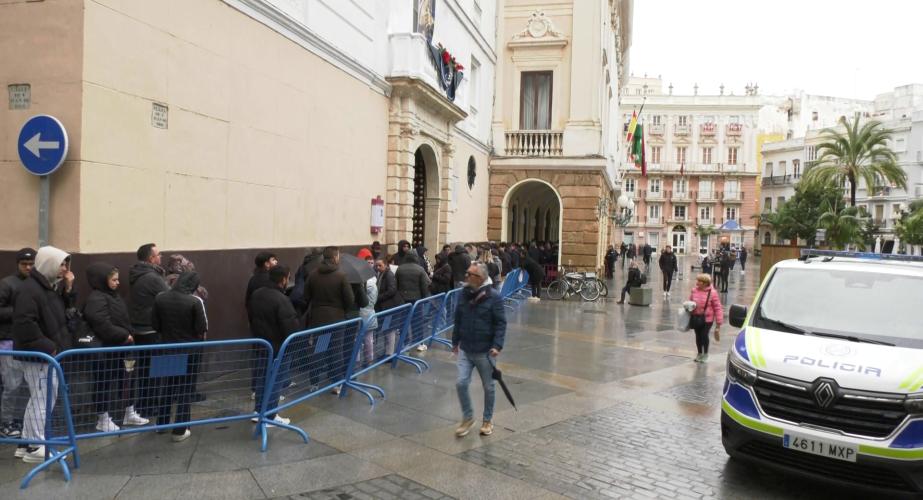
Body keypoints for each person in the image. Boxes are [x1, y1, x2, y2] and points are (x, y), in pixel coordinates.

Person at [12, 246, 73, 463]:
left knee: (39, 399)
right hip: (40, 356)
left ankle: (26, 444)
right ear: (48, 263)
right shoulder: (31, 289)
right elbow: (25, 324)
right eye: (61, 264)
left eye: (66, 264)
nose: (65, 268)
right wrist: (50, 347)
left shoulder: (47, 287)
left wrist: (68, 288)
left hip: (43, 354)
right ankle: (35, 446)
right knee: (42, 399)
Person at [84, 262, 150, 433]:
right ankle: (103, 419)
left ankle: (129, 412)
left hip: (122, 347)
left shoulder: (112, 295)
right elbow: (101, 324)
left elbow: (120, 318)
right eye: (113, 280)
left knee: (127, 380)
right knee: (104, 383)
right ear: (102, 280)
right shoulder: (97, 298)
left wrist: (128, 334)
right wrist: (124, 335)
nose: (117, 283)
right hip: (108, 348)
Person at [152, 271, 208, 442]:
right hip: (190, 351)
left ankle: (161, 425)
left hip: (167, 347)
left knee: (167, 386)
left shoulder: (160, 297)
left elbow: (155, 324)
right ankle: (180, 430)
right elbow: (201, 328)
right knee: (185, 389)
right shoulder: (195, 301)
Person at [452, 263, 506, 438]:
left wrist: (497, 345)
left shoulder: (494, 297)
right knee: (461, 383)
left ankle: (487, 420)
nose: (466, 276)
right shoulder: (464, 294)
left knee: (488, 387)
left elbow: (500, 323)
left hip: (485, 351)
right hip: (466, 348)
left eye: (470, 274)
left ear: (480, 278)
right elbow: (458, 318)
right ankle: (468, 417)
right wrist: (455, 341)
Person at [248, 265, 298, 425]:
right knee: (275, 381)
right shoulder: (281, 299)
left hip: (261, 344)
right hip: (278, 348)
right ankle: (270, 415)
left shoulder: (256, 294)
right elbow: (290, 327)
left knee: (262, 380)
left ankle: (258, 411)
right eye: (288, 277)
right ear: (283, 279)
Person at [303, 247, 355, 394]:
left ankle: (314, 383)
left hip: (318, 319)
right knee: (335, 351)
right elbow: (350, 300)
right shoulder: (341, 276)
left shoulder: (313, 275)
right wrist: (341, 309)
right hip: (337, 320)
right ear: (335, 257)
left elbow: (306, 297)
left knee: (319, 350)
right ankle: (335, 383)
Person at [128, 243, 169, 419]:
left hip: (140, 329)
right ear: (151, 258)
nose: (161, 257)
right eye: (159, 254)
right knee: (154, 371)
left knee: (144, 370)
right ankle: (150, 406)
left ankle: (144, 404)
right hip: (151, 330)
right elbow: (169, 296)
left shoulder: (138, 274)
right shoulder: (152, 277)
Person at [0, 248, 34, 441]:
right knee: (11, 385)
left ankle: (20, 420)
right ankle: (6, 423)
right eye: (24, 264)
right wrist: (20, 312)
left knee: (26, 385)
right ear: (18, 264)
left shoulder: (36, 284)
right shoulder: (7, 284)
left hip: (28, 342)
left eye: (31, 264)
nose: (28, 267)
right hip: (9, 342)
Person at [688, 274, 723, 363]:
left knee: (704, 335)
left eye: (699, 281)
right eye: (697, 280)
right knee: (698, 336)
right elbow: (690, 302)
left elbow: (717, 308)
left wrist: (718, 323)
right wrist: (689, 306)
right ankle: (699, 353)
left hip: (707, 319)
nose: (697, 283)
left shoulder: (712, 293)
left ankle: (705, 354)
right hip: (696, 317)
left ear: (705, 283)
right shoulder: (694, 291)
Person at [245, 252, 278, 320]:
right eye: (273, 260)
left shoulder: (253, 279)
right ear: (267, 264)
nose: (276, 262)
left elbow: (248, 301)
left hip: (255, 318)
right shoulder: (271, 279)